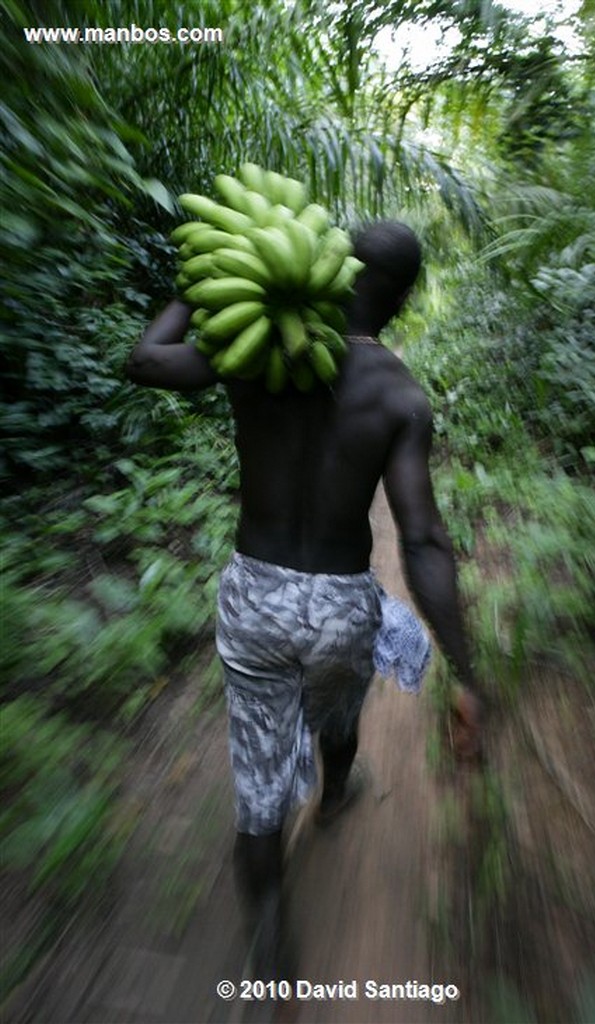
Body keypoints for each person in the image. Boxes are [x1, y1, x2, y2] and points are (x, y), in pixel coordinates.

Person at [126, 219, 483, 978]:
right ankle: (335, 793)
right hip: (340, 606)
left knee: (257, 796)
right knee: (338, 707)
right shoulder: (399, 395)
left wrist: (198, 286)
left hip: (254, 596)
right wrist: (466, 669)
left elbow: (145, 360)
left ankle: (270, 948)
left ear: (331, 268)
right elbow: (419, 542)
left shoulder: (256, 356)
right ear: (401, 300)